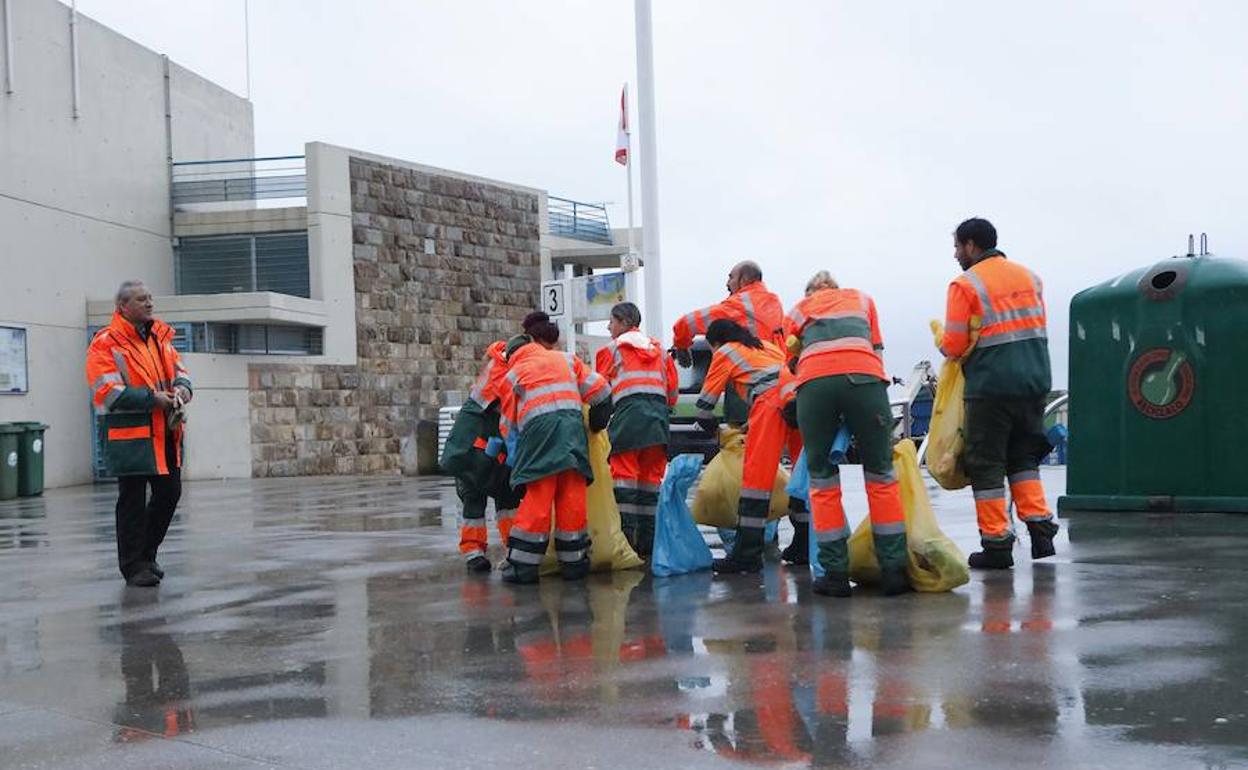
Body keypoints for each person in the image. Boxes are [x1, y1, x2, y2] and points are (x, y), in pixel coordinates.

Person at [939, 217, 1059, 570]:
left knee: (986, 463)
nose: (955, 253)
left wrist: (944, 344)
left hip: (992, 384)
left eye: (958, 246)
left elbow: (955, 343)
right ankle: (1040, 529)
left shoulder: (965, 284)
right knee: (1023, 457)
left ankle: (996, 545)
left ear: (972, 245)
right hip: (1035, 380)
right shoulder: (1030, 278)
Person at [784, 271, 908, 597]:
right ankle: (894, 571)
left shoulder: (799, 309)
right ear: (836, 288)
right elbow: (876, 350)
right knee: (881, 473)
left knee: (822, 480)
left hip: (815, 384)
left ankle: (835, 575)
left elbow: (791, 360)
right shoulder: (863, 300)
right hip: (866, 379)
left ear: (811, 292)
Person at [85, 281, 193, 587]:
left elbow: (180, 372)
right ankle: (133, 566)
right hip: (129, 437)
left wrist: (183, 390)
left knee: (169, 493)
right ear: (123, 306)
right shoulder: (105, 343)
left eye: (150, 298)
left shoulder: (160, 338)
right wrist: (153, 398)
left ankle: (146, 554)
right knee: (131, 501)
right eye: (141, 299)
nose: (149, 304)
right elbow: (107, 391)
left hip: (164, 433)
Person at [498, 319, 613, 585]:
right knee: (571, 496)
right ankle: (574, 564)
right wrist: (596, 423)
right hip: (573, 433)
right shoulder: (567, 360)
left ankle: (522, 567)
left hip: (540, 437)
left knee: (539, 496)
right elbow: (603, 392)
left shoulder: (512, 374)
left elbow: (507, 425)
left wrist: (513, 460)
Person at [694, 319, 797, 575]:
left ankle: (747, 556)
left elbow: (705, 405)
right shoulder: (767, 346)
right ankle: (803, 546)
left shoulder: (726, 351)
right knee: (801, 477)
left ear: (716, 342)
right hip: (797, 401)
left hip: (771, 405)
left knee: (755, 483)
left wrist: (713, 431)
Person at [595, 302, 679, 558]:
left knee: (624, 479)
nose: (609, 326)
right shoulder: (661, 352)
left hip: (628, 419)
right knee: (650, 483)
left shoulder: (611, 350)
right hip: (657, 423)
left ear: (622, 322)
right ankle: (648, 542)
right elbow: (672, 395)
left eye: (611, 321)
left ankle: (626, 542)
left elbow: (598, 392)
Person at [439, 339, 524, 573]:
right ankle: (507, 549)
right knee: (502, 498)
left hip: (478, 445)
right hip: (483, 444)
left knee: (479, 499)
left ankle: (475, 552)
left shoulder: (495, 368)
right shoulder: (507, 372)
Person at [670, 260, 786, 367]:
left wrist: (681, 346)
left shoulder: (739, 305)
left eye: (731, 278)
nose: (727, 284)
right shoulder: (774, 302)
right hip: (779, 372)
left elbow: (686, 323)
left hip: (753, 375)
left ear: (744, 279)